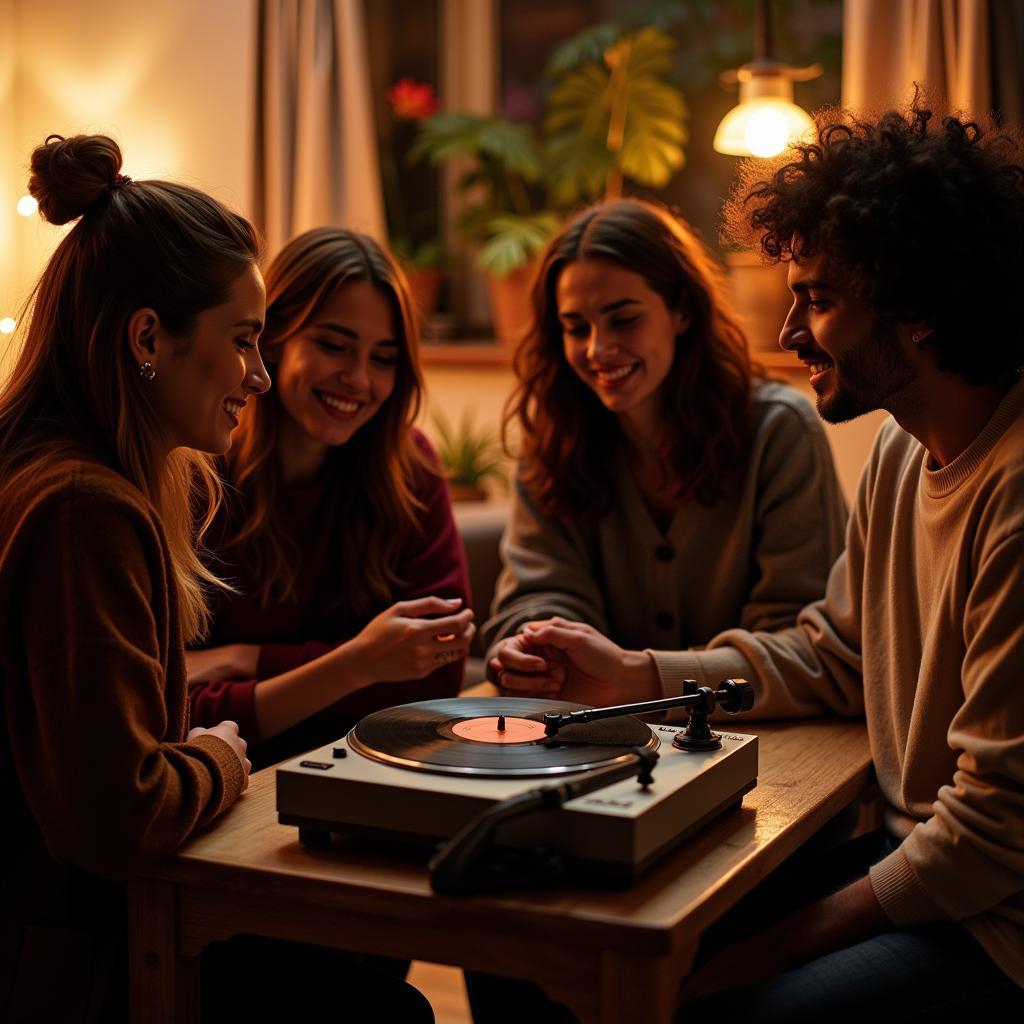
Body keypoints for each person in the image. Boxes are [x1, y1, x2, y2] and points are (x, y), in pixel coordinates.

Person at [493, 103, 1024, 1019]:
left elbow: (992, 837)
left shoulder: (1013, 496)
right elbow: (834, 655)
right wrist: (638, 675)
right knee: (555, 945)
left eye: (817, 299)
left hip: (996, 923)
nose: (790, 332)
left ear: (923, 311)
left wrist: (773, 949)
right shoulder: (903, 451)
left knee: (715, 999)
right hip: (915, 860)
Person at [0, 135, 432, 1022]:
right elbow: (120, 813)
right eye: (243, 342)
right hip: (76, 958)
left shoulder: (51, 477)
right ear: (149, 336)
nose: (259, 376)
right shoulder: (87, 511)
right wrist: (219, 761)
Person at [483, 197, 846, 706]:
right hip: (597, 733)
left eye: (624, 320)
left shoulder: (777, 433)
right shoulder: (553, 438)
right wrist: (534, 648)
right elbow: (537, 595)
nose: (597, 349)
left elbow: (808, 646)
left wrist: (646, 676)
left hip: (770, 744)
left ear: (680, 312)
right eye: (575, 327)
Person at [187, 227, 473, 770]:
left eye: (383, 357)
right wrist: (362, 664)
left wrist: (242, 659)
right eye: (333, 345)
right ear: (270, 338)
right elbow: (168, 705)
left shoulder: (410, 467)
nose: (359, 379)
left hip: (374, 769)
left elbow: (437, 672)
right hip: (229, 779)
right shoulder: (195, 476)